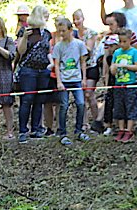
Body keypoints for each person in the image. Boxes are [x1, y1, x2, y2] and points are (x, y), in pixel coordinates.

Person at [16, 5, 53, 143]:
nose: (48, 16)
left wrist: (51, 64)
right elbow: (20, 51)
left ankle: (36, 128)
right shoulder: (26, 31)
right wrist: (25, 37)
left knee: (40, 100)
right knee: (27, 99)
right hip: (28, 70)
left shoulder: (47, 33)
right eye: (45, 14)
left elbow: (47, 50)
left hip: (43, 70)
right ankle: (22, 130)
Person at [53, 17, 90, 146]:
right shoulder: (58, 46)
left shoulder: (79, 44)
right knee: (64, 106)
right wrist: (59, 81)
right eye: (59, 31)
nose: (61, 34)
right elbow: (56, 64)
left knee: (80, 103)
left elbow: (83, 62)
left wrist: (84, 78)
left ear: (70, 30)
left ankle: (79, 131)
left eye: (63, 31)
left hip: (76, 80)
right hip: (64, 80)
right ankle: (62, 133)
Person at [111, 28, 137, 142]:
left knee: (130, 107)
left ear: (129, 40)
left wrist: (125, 66)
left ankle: (129, 130)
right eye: (120, 41)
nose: (122, 44)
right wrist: (114, 68)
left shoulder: (134, 52)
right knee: (119, 107)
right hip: (119, 84)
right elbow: (112, 68)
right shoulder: (117, 53)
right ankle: (121, 129)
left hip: (130, 84)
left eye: (124, 41)